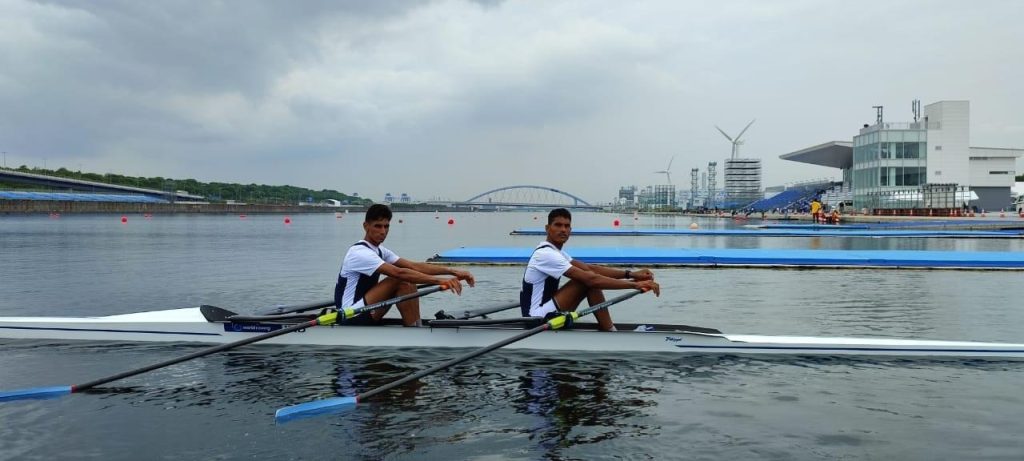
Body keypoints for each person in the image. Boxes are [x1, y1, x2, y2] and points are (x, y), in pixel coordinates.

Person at [520, 208, 660, 331]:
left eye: (567, 226)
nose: (563, 229)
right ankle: (611, 332)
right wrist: (635, 284)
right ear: (547, 228)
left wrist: (630, 274)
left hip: (548, 312)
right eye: (558, 225)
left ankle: (610, 331)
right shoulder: (545, 254)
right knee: (587, 281)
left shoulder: (557, 252)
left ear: (570, 230)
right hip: (536, 320)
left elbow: (589, 268)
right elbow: (591, 279)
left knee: (589, 277)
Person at [335, 204, 475, 326]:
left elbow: (414, 266)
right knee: (401, 278)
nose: (383, 231)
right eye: (378, 226)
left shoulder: (380, 251)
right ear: (366, 226)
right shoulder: (359, 253)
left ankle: (415, 327)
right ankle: (416, 333)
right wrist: (440, 281)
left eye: (386, 226)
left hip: (367, 310)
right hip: (350, 316)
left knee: (408, 279)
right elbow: (399, 273)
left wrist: (453, 272)